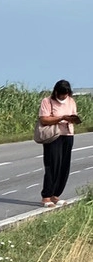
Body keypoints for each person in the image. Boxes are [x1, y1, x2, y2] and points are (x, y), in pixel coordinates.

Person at [38, 80, 80, 208]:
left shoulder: (71, 101)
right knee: (53, 165)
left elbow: (73, 115)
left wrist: (73, 119)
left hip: (68, 135)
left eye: (65, 94)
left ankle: (56, 195)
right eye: (61, 94)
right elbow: (44, 119)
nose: (63, 97)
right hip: (54, 136)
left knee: (64, 166)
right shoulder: (47, 101)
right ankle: (46, 196)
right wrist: (61, 118)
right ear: (56, 92)